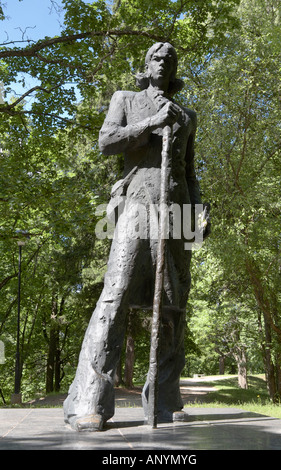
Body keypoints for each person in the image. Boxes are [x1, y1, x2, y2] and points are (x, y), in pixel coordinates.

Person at [63, 42, 208, 431]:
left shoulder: (187, 116)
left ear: (175, 70)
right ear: (146, 65)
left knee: (173, 304)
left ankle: (164, 400)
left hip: (175, 210)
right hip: (137, 204)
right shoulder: (125, 98)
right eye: (157, 58)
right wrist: (150, 124)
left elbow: (189, 171)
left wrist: (198, 210)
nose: (164, 63)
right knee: (117, 292)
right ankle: (89, 402)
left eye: (170, 60)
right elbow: (106, 142)